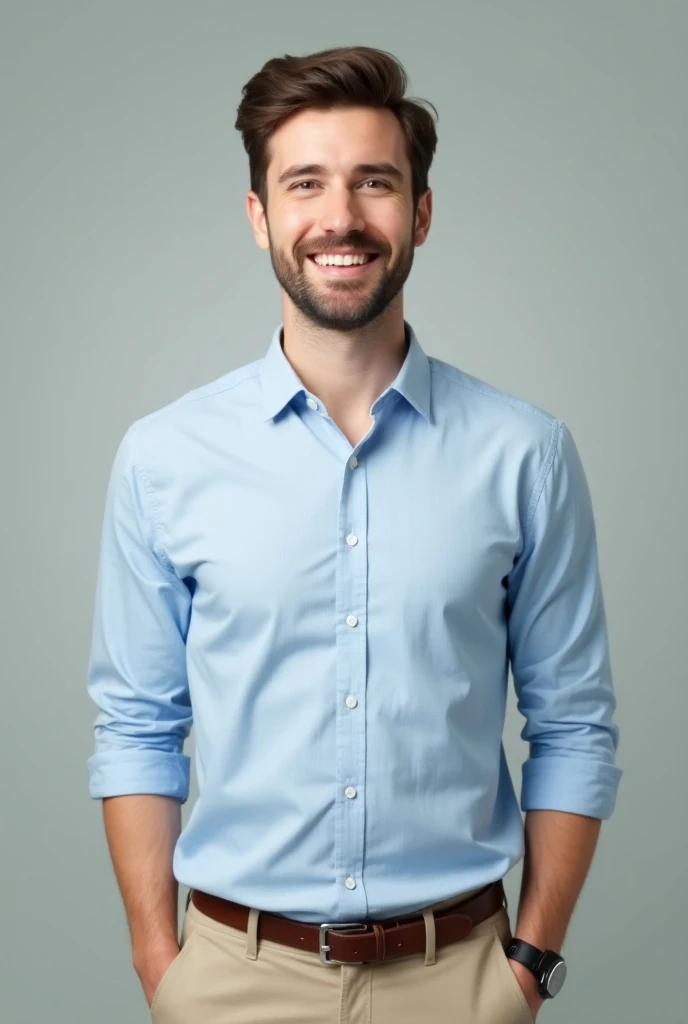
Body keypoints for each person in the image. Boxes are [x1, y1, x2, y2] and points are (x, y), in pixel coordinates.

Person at [86, 45, 623, 1024]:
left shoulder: (524, 453)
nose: (340, 217)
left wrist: (530, 962)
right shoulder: (164, 457)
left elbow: (573, 724)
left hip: (458, 982)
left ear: (419, 212)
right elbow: (135, 724)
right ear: (260, 217)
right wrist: (159, 958)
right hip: (227, 981)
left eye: (373, 182)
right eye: (304, 184)